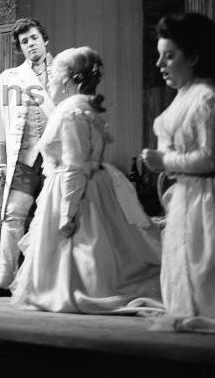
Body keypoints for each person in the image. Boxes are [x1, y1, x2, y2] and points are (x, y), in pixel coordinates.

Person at [11, 47, 161, 313]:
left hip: (78, 190)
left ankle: (78, 290)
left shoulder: (71, 111)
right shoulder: (84, 107)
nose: (50, 79)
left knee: (85, 245)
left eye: (55, 72)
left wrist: (66, 214)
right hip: (90, 185)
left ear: (69, 78)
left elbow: (74, 165)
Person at [142, 12, 215, 331]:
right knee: (185, 263)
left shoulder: (205, 97)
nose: (160, 64)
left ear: (195, 56)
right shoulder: (184, 96)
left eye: (169, 56)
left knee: (203, 262)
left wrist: (165, 161)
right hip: (186, 195)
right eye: (159, 56)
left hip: (206, 197)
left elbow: (210, 158)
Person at [0, 18, 55, 298]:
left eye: (34, 37)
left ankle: (47, 280)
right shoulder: (10, 77)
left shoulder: (63, 69)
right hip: (24, 157)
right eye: (25, 41)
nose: (31, 44)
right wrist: (0, 161)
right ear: (20, 47)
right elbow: (0, 122)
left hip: (55, 157)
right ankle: (5, 277)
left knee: (53, 218)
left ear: (44, 39)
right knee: (13, 215)